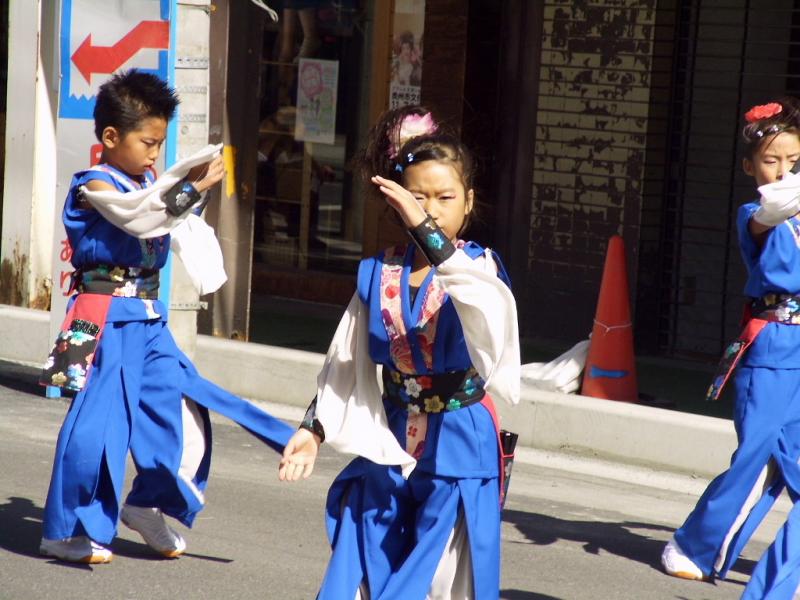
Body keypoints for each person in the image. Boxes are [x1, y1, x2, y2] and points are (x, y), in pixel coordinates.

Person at [39, 69, 294, 564]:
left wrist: (189, 200)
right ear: (110, 137)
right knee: (99, 424)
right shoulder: (94, 183)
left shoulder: (149, 183)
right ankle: (67, 528)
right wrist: (188, 192)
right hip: (103, 315)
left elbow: (171, 222)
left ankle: (146, 502)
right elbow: (138, 216)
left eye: (159, 143)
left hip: (148, 318)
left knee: (178, 406)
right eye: (148, 142)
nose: (155, 153)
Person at [278, 106, 521, 599]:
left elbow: (482, 309)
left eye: (445, 197)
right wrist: (313, 429)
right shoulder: (377, 271)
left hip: (459, 440)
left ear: (469, 202)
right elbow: (345, 359)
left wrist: (423, 228)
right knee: (363, 559)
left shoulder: (480, 270)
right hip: (388, 435)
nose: (431, 208)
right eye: (417, 197)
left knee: (437, 578)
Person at [661, 98, 800, 595]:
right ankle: (693, 546)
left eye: (794, 159)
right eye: (771, 160)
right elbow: (773, 211)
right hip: (774, 344)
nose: (783, 169)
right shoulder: (756, 214)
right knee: (754, 457)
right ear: (749, 166)